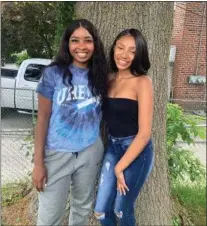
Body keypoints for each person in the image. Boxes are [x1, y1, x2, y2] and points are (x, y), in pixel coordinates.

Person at [32, 19, 108, 226]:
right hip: (56, 153)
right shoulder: (53, 73)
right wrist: (38, 163)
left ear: (95, 44)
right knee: (49, 216)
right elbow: (42, 118)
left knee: (82, 210)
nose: (81, 47)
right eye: (75, 40)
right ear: (67, 43)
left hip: (90, 150)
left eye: (88, 40)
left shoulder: (101, 75)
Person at [94, 28, 154, 226]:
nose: (124, 55)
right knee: (101, 211)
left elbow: (145, 133)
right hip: (113, 147)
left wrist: (120, 167)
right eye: (120, 47)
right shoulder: (109, 80)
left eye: (132, 51)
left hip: (137, 151)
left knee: (121, 209)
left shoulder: (142, 82)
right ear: (114, 49)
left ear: (139, 55)